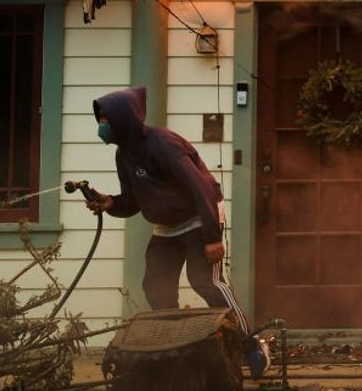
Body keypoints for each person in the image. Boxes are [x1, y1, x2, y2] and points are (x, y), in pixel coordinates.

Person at [87, 86, 268, 376]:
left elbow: (201, 188)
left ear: (124, 119)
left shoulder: (163, 144)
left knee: (206, 281)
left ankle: (251, 345)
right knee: (155, 285)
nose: (102, 126)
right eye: (100, 120)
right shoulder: (124, 155)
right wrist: (111, 203)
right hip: (167, 226)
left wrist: (212, 237)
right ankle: (175, 348)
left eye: (106, 120)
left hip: (199, 216)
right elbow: (133, 200)